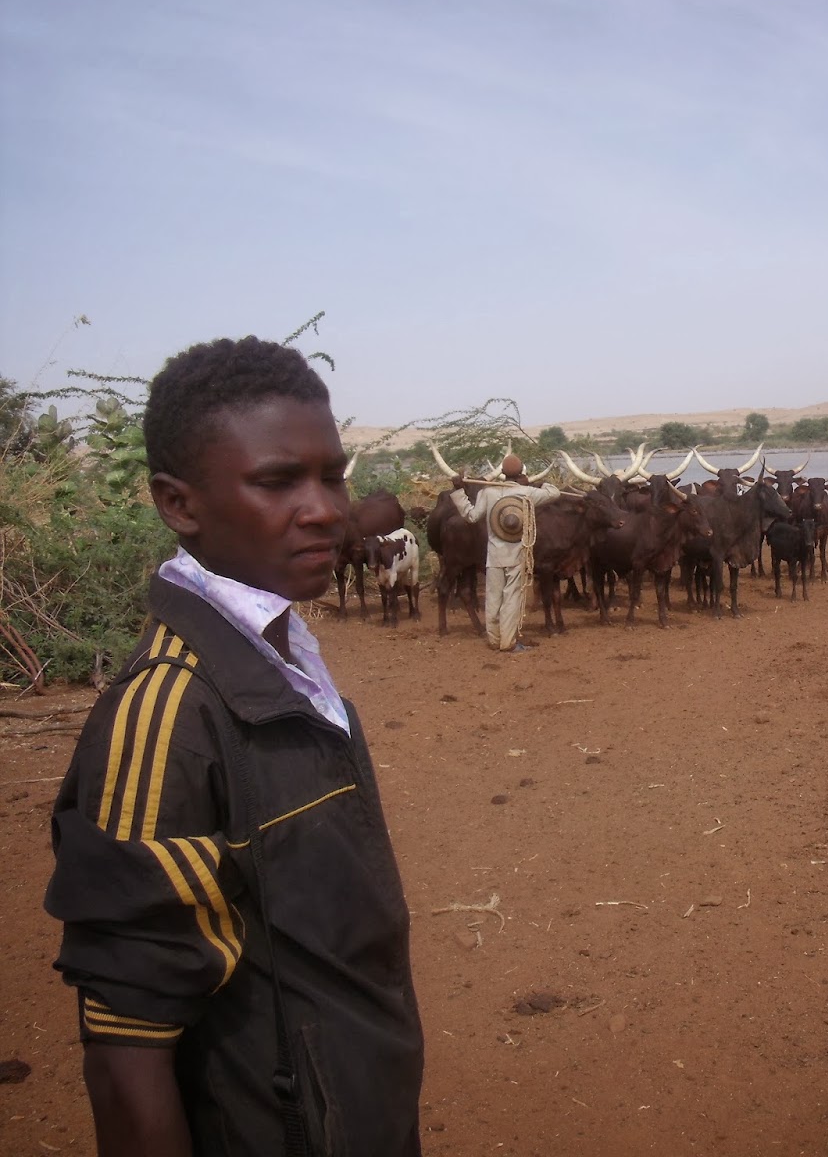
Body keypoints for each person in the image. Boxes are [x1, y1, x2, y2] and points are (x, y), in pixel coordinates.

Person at [44, 337, 424, 1156]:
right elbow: (125, 1056)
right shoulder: (167, 716)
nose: (325, 507)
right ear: (179, 505)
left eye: (333, 474)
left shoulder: (282, 663)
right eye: (278, 481)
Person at [450, 454, 561, 653]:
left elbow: (471, 516)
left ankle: (494, 639)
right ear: (520, 474)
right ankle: (508, 642)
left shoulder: (488, 493)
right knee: (512, 598)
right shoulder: (527, 492)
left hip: (494, 555)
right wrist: (538, 482)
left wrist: (459, 491)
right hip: (517, 555)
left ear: (501, 474)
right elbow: (554, 493)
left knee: (493, 597)